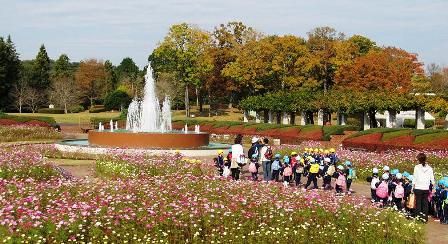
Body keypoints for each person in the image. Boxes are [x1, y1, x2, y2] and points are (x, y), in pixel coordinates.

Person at [413, 153, 435, 222]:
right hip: (426, 188)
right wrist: (434, 187)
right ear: (425, 159)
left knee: (418, 204)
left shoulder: (416, 167)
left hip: (418, 187)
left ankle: (418, 218)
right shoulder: (430, 168)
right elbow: (432, 179)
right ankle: (425, 219)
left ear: (418, 159)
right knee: (425, 204)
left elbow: (414, 178)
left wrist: (412, 187)